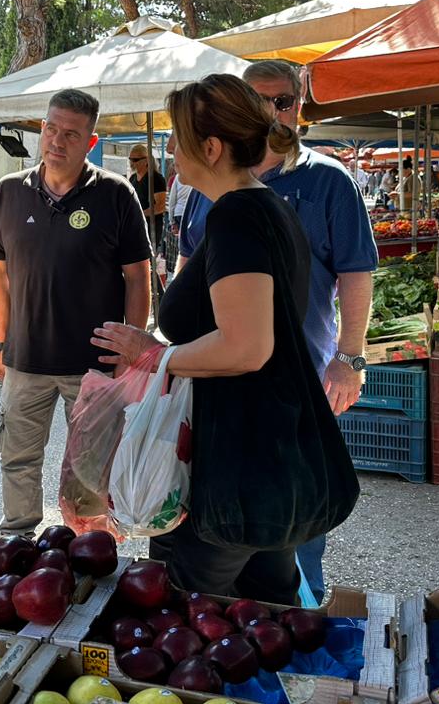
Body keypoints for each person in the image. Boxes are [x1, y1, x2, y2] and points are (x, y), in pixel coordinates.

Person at [92, 73, 360, 601]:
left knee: (185, 617)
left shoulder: (238, 214)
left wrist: (155, 355)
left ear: (211, 148)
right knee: (264, 620)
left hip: (238, 463)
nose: (169, 149)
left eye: (177, 136)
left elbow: (246, 346)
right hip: (269, 456)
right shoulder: (267, 208)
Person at [0, 89, 152, 537]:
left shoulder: (116, 194)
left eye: (71, 134)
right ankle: (17, 543)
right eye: (51, 128)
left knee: (92, 467)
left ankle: (91, 548)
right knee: (17, 459)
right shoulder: (7, 193)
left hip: (94, 365)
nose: (57, 140)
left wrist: (132, 346)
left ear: (90, 142)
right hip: (26, 360)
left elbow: (138, 276)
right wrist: (0, 342)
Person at [128, 143, 167, 247]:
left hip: (151, 227)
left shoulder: (156, 179)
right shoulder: (132, 179)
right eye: (130, 159)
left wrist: (139, 214)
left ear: (146, 161)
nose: (132, 163)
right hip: (135, 226)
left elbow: (160, 206)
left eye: (135, 160)